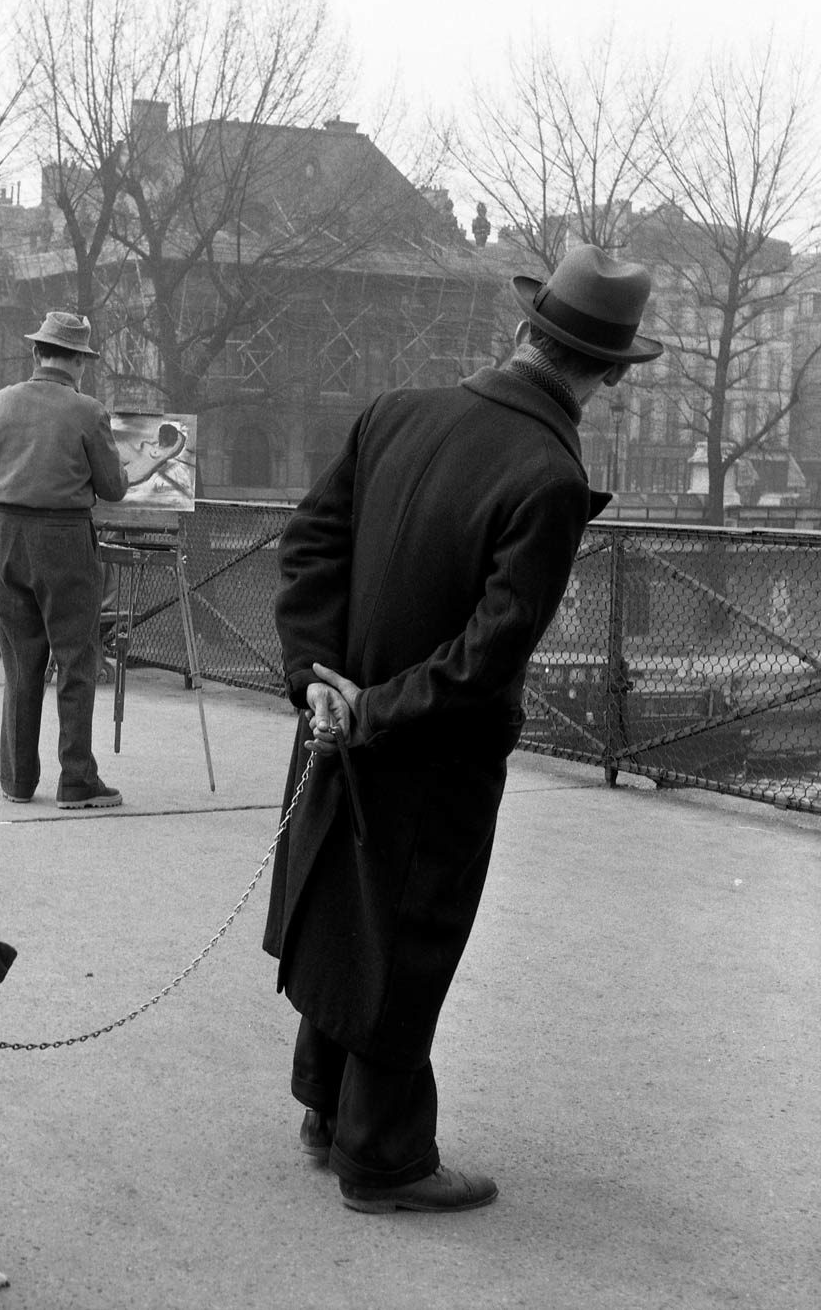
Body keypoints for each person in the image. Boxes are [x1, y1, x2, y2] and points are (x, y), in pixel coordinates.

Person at [263, 244, 663, 1213]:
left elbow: (310, 544)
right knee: (410, 936)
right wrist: (376, 713)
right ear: (604, 373)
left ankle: (326, 1105)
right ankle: (385, 1156)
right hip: (428, 753)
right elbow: (490, 653)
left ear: (525, 331)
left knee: (340, 906)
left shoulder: (396, 411)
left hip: (335, 718)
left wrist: (319, 682)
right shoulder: (549, 474)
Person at [0, 310, 129, 809]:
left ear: (37, 353)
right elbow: (113, 488)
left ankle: (17, 779)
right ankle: (76, 779)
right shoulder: (88, 411)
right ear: (79, 361)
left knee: (20, 660)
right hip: (65, 541)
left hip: (8, 540)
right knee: (76, 659)